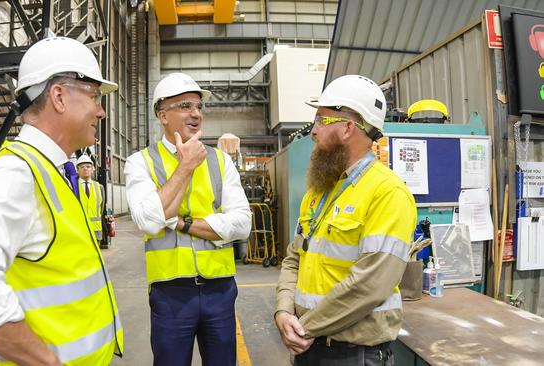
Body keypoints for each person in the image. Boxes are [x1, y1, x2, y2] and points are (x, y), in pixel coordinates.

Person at [0, 36, 124, 366]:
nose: (101, 111)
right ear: (59, 97)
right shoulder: (15, 173)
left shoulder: (51, 170)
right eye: (94, 96)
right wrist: (43, 360)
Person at [274, 75, 417, 366]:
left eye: (320, 121)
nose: (313, 132)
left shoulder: (387, 193)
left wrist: (304, 328)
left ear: (348, 128)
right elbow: (294, 260)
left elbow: (370, 284)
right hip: (308, 346)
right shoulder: (319, 191)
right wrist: (283, 311)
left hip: (353, 354)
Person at [124, 72, 251, 366]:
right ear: (162, 114)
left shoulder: (220, 161)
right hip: (171, 292)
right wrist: (186, 166)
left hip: (220, 289)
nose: (195, 114)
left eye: (198, 106)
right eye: (184, 106)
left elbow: (242, 223)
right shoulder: (140, 162)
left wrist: (181, 222)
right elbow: (148, 220)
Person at [76, 154, 106, 248]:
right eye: (82, 167)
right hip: (78, 231)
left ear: (93, 169)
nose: (85, 169)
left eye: (88, 166)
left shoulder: (99, 187)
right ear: (77, 170)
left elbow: (101, 209)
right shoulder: (73, 187)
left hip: (96, 231)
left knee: (95, 260)